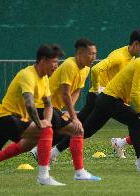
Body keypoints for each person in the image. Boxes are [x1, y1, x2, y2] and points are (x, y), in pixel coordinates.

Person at [47, 30, 140, 160]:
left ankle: (49, 151)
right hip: (102, 97)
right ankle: (138, 157)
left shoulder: (131, 57)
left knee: (82, 129)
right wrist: (97, 89)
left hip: (109, 98)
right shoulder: (119, 56)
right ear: (135, 44)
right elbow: (96, 69)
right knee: (80, 128)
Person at [83, 40, 140, 171]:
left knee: (85, 131)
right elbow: (135, 93)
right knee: (139, 122)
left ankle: (53, 150)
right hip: (108, 98)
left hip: (113, 100)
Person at [0, 44, 65, 185]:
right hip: (7, 118)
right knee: (45, 131)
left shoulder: (44, 78)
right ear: (43, 61)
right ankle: (43, 177)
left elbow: (48, 104)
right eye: (54, 62)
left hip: (9, 120)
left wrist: (47, 120)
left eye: (58, 62)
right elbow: (30, 103)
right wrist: (40, 123)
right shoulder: (28, 75)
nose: (56, 66)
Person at [31, 38, 101, 181]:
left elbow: (76, 92)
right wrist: (74, 117)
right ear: (80, 53)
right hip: (42, 105)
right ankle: (78, 173)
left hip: (53, 107)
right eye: (91, 53)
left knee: (27, 142)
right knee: (77, 129)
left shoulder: (86, 68)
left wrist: (69, 112)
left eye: (95, 53)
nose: (94, 57)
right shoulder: (70, 65)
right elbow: (65, 93)